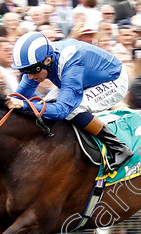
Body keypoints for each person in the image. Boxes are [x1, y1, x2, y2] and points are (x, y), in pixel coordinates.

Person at [8, 32, 133, 172]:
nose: (30, 76)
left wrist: (25, 105)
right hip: (86, 78)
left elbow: (61, 111)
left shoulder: (71, 60)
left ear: (48, 61)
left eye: (32, 71)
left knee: (72, 110)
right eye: (24, 71)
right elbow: (18, 97)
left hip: (113, 79)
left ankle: (118, 148)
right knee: (44, 103)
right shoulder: (38, 62)